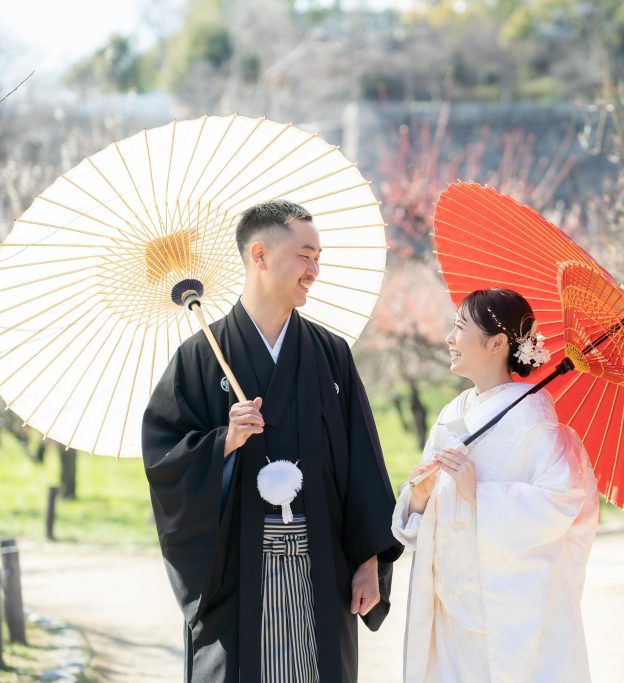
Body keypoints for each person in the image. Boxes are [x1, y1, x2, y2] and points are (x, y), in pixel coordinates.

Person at [142, 199, 403, 682]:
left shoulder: (330, 354)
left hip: (322, 562)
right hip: (237, 566)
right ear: (259, 255)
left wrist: (368, 562)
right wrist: (223, 440)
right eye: (305, 256)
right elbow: (164, 458)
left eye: (318, 257)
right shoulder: (200, 357)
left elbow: (364, 462)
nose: (315, 270)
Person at [392, 288, 600, 683]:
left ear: (498, 342)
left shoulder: (534, 419)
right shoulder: (454, 412)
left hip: (503, 610)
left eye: (459, 328)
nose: (449, 339)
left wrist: (479, 495)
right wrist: (418, 500)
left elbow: (563, 506)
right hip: (449, 603)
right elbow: (429, 511)